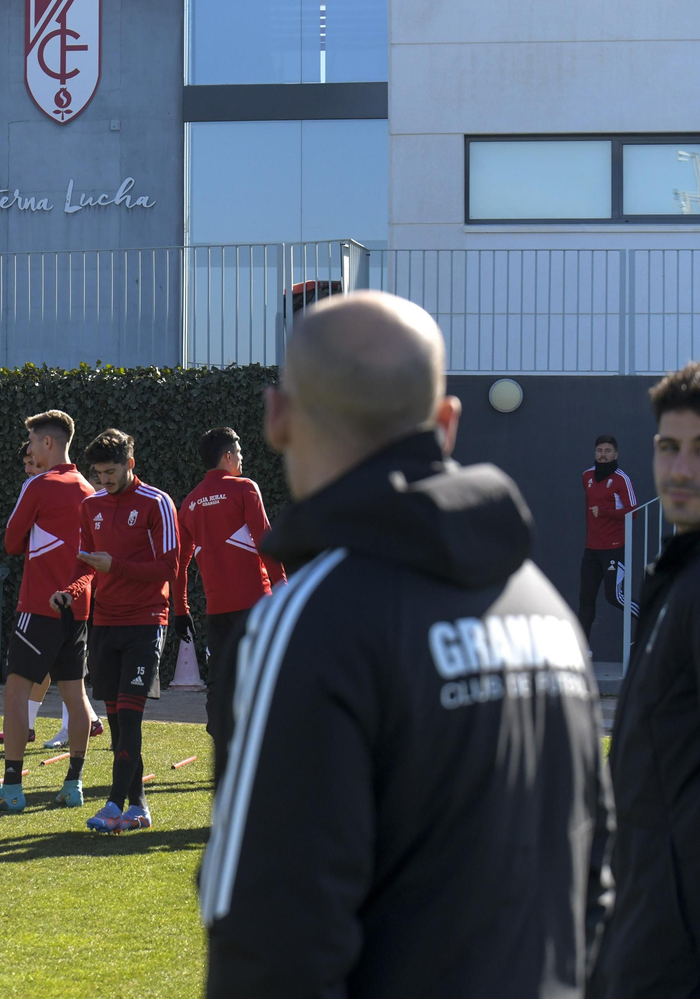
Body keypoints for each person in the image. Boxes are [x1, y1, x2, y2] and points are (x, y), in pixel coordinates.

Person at [201, 293, 611, 998]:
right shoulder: (546, 608)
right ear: (447, 421)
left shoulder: (305, 622)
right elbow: (595, 885)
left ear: (277, 415)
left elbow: (270, 941)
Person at [592, 361, 700, 998]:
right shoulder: (677, 575)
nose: (681, 470)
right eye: (669, 448)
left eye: (699, 452)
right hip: (645, 925)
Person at [0, 410, 94, 813]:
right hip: (78, 606)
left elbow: (10, 541)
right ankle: (73, 784)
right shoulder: (90, 489)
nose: (27, 449)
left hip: (39, 604)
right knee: (75, 696)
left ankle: (11, 789)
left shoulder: (38, 485)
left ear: (48, 443)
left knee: (15, 693)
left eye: (31, 441)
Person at [59, 428, 180, 832]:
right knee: (116, 722)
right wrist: (71, 590)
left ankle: (112, 804)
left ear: (130, 464)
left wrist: (117, 567)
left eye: (110, 472)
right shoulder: (90, 505)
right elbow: (85, 564)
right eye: (98, 473)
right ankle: (139, 807)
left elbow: (169, 568)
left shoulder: (157, 503)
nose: (103, 480)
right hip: (105, 623)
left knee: (129, 718)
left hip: (146, 621)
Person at [177, 426, 286, 788]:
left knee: (222, 685)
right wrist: (284, 590)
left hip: (217, 611)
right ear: (227, 457)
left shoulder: (190, 502)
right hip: (258, 605)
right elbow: (267, 543)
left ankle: (230, 752)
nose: (242, 459)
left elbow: (178, 565)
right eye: (238, 453)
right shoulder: (244, 488)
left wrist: (180, 608)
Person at [580, 434, 640, 638]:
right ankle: (583, 650)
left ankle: (649, 619)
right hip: (592, 548)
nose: (603, 455)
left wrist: (605, 512)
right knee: (586, 598)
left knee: (615, 597)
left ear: (615, 454)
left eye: (607, 451)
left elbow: (634, 512)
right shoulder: (587, 476)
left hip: (614, 547)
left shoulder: (621, 479)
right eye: (599, 451)